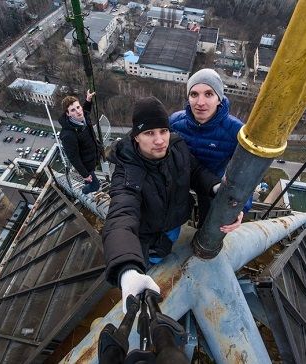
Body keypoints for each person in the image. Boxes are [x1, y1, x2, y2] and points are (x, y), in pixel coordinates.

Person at [103, 96, 242, 312]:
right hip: (147, 236)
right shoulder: (128, 173)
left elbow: (195, 170)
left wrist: (216, 188)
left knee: (167, 248)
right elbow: (121, 216)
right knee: (153, 261)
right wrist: (127, 270)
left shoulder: (177, 146)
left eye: (163, 131)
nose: (159, 140)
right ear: (136, 137)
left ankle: (160, 258)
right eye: (149, 133)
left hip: (174, 223)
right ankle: (149, 268)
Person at [169, 68, 251, 226]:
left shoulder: (236, 131)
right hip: (181, 179)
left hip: (214, 186)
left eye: (208, 94)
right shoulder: (175, 122)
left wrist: (240, 208)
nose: (200, 102)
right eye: (194, 94)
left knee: (209, 224)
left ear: (219, 98)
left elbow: (247, 172)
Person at [58, 90, 101, 194]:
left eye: (78, 107)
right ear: (68, 114)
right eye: (73, 110)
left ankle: (87, 186)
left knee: (92, 181)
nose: (78, 111)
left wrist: (88, 100)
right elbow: (74, 158)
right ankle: (84, 191)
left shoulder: (83, 118)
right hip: (86, 165)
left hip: (93, 156)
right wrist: (85, 175)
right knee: (95, 186)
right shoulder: (68, 135)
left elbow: (86, 110)